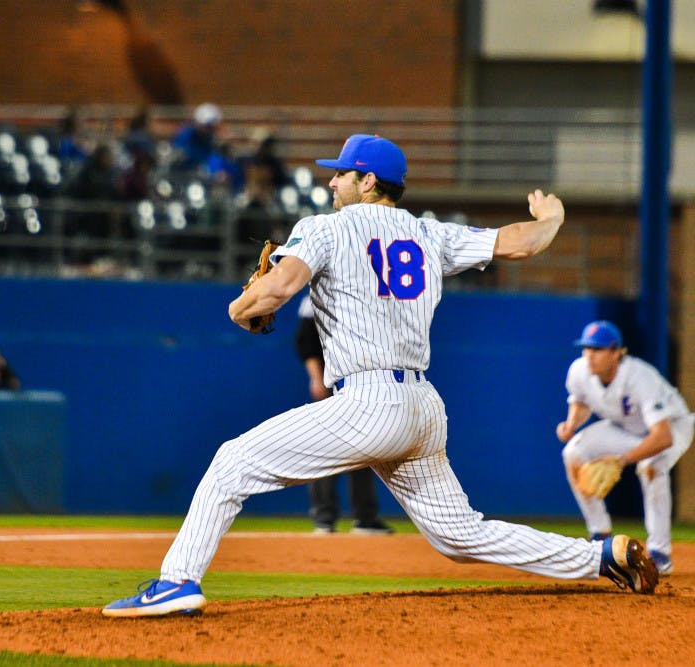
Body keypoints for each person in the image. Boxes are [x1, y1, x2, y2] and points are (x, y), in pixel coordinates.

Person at [102, 133, 659, 618]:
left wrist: (239, 307)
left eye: (341, 173)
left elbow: (274, 290)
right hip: (421, 407)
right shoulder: (431, 234)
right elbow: (522, 242)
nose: (332, 183)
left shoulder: (323, 229)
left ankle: (176, 581)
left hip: (367, 401)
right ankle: (599, 558)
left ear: (369, 181)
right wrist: (553, 219)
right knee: (460, 535)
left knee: (232, 462)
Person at [557, 320, 693, 576]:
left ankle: (659, 553)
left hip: (673, 427)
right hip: (624, 428)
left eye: (597, 349)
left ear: (616, 352)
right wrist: (570, 424)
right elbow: (581, 402)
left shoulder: (640, 377)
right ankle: (600, 535)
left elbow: (663, 438)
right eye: (586, 349)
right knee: (573, 453)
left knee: (651, 466)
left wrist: (621, 460)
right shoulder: (579, 371)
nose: (590, 355)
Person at [296, 294, 393, 535]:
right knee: (326, 448)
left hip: (361, 381)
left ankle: (365, 518)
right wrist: (316, 377)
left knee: (364, 449)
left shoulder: (366, 290)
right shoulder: (317, 295)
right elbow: (306, 342)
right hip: (332, 380)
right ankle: (324, 518)